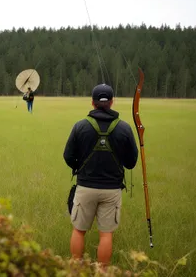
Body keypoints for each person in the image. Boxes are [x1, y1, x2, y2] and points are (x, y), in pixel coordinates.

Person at [63, 83, 139, 267]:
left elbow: (68, 156)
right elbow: (131, 163)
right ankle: (103, 272)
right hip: (112, 190)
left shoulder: (80, 126)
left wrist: (79, 168)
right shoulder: (124, 128)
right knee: (106, 234)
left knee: (79, 230)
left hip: (85, 188)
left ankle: (75, 269)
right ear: (112, 102)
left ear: (92, 102)